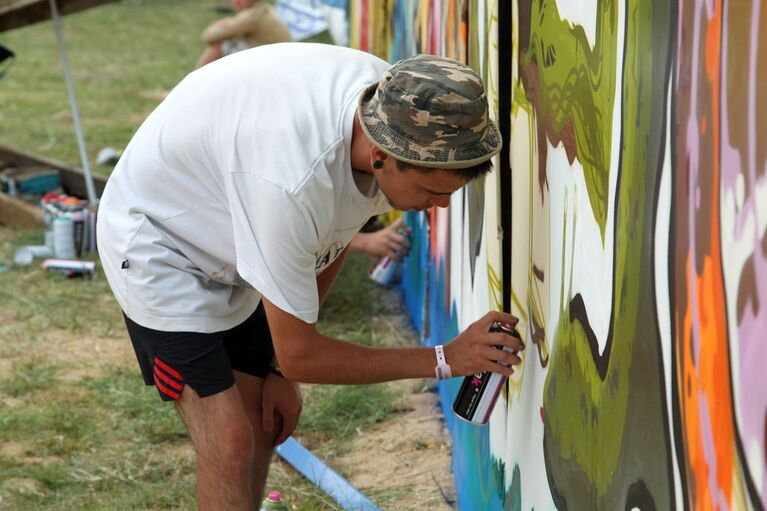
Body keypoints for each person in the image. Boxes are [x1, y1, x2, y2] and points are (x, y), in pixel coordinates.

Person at [96, 43, 524, 510]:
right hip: (159, 242)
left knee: (263, 420)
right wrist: (443, 358)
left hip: (234, 218)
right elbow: (302, 355)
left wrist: (274, 368)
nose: (439, 206)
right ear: (382, 155)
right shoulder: (291, 182)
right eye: (430, 190)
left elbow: (332, 231)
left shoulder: (400, 108)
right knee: (231, 439)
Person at [195, 0, 292, 69]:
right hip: (280, 58)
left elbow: (207, 37)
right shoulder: (263, 9)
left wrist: (218, 25)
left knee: (219, 44)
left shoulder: (252, 16)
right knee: (232, 39)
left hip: (272, 64)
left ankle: (194, 79)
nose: (235, 1)